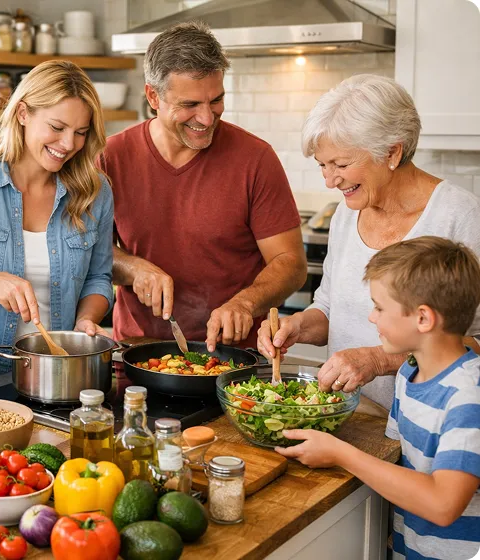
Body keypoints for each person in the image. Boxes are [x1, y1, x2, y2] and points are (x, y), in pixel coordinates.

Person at [257, 74, 480, 412]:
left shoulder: (458, 215)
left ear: (392, 152)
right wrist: (299, 326)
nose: (330, 180)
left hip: (429, 429)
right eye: (322, 165)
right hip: (350, 417)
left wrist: (380, 360)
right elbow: (333, 309)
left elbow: (475, 344)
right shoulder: (347, 214)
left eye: (341, 164)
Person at [100, 21, 306, 351]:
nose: (207, 118)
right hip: (139, 353)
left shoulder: (256, 158)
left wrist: (245, 303)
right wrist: (133, 268)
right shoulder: (110, 158)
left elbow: (291, 264)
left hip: (237, 359)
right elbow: (88, 253)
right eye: (190, 105)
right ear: (153, 96)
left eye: (216, 101)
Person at [277, 237, 480, 560]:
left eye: (379, 308)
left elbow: (443, 506)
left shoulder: (468, 397)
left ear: (423, 319)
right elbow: (396, 467)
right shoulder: (409, 374)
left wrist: (341, 454)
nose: (372, 318)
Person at [0, 60, 114, 378]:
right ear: (23, 114)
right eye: (57, 128)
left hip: (58, 375)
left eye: (80, 132)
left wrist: (87, 319)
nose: (69, 144)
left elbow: (99, 278)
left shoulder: (94, 190)